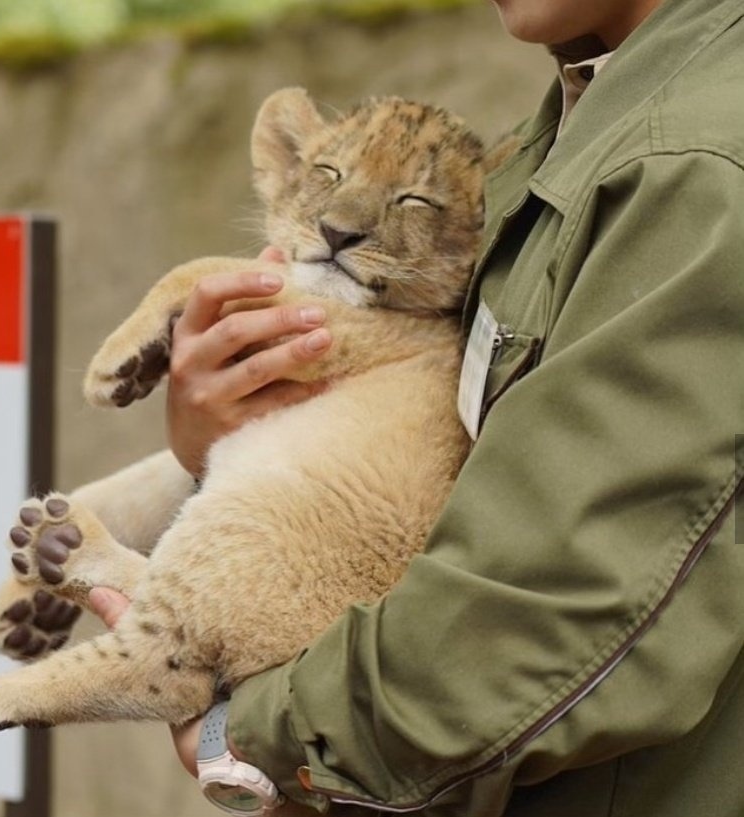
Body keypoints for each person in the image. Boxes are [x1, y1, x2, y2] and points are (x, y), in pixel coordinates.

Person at [90, 0, 744, 813]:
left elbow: (545, 620)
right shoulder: (581, 114)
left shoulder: (694, 159)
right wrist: (223, 439)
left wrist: (258, 731)